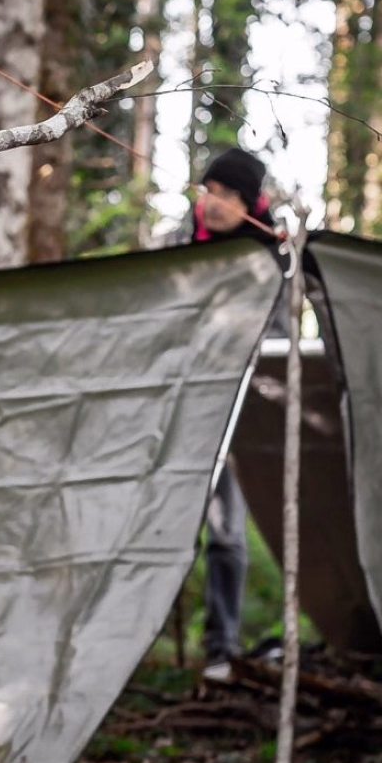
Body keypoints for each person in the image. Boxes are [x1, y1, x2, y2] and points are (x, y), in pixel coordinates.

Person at [170, 145, 280, 681]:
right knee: (160, 530)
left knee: (227, 535)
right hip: (174, 406)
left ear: (250, 202)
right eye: (208, 191)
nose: (212, 203)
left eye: (226, 194)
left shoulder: (270, 258)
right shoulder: (178, 244)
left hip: (235, 410)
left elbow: (276, 338)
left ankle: (220, 649)